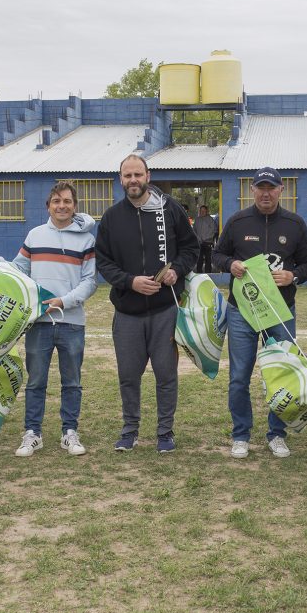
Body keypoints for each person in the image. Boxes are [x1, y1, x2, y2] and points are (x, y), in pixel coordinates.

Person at [95, 154, 200, 453]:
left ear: (148, 175)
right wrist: (130, 281)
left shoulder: (171, 210)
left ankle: (165, 432)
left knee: (166, 375)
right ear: (120, 180)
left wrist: (177, 270)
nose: (133, 181)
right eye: (127, 176)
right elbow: (104, 261)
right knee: (129, 376)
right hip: (127, 312)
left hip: (165, 310)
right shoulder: (112, 218)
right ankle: (130, 430)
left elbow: (191, 247)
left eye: (137, 174)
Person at [213, 167, 307, 459]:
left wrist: (293, 276)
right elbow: (216, 255)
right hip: (243, 311)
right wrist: (229, 264)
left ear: (281, 190)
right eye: (261, 187)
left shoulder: (294, 224)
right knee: (239, 376)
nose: (266, 193)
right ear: (253, 190)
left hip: (281, 312)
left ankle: (277, 434)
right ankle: (241, 435)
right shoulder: (238, 221)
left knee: (281, 374)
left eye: (271, 187)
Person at [12, 182, 97, 457]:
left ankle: (69, 432)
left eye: (67, 202)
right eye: (57, 201)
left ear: (75, 206)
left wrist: (64, 301)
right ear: (48, 205)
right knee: (36, 380)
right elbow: (17, 270)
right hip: (39, 323)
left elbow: (90, 281)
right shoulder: (35, 235)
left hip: (72, 322)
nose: (62, 206)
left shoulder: (86, 240)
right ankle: (32, 433)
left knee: (71, 382)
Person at [193, 205, 219, 273]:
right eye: (201, 211)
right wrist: (199, 239)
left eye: (204, 211)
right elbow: (194, 231)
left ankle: (208, 273)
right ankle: (198, 273)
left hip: (208, 243)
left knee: (208, 260)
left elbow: (214, 231)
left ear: (207, 211)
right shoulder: (197, 220)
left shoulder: (210, 220)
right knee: (199, 259)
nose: (202, 212)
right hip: (199, 243)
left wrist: (205, 238)